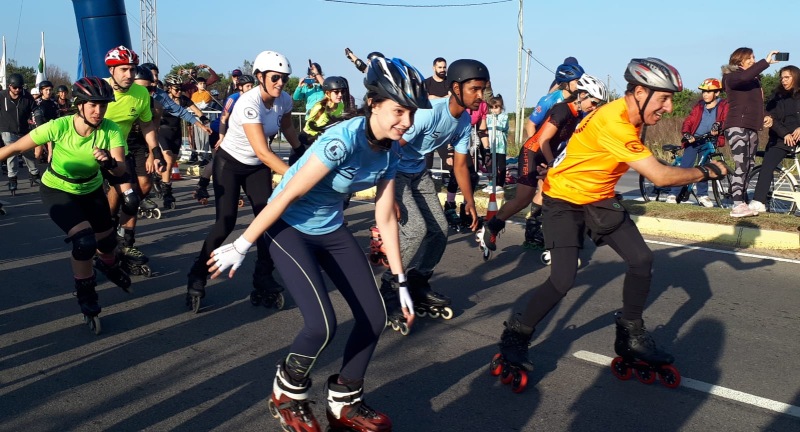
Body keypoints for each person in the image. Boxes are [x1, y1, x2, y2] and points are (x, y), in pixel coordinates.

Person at [208, 55, 426, 432]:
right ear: (373, 103)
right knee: (321, 324)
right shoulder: (341, 141)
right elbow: (286, 194)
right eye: (398, 111)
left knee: (374, 316)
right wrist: (242, 244)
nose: (406, 122)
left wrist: (401, 280)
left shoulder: (392, 149)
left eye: (411, 113)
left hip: (330, 228)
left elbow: (386, 215)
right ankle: (287, 392)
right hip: (289, 227)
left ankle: (345, 400)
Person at [489, 58, 728, 392]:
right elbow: (660, 176)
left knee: (642, 260)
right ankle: (515, 336)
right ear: (640, 92)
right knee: (562, 280)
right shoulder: (614, 122)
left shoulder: (630, 116)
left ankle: (631, 336)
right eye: (663, 98)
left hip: (598, 198)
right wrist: (708, 171)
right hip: (564, 199)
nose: (669, 106)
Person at [0, 77, 131, 331]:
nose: (98, 111)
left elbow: (121, 169)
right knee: (84, 242)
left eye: (103, 106)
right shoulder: (58, 126)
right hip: (58, 189)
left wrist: (109, 164)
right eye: (93, 105)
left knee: (106, 243)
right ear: (79, 105)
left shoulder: (110, 129)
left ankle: (109, 264)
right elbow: (15, 147)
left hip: (91, 189)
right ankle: (86, 295)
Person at [185, 50, 303, 311]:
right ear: (260, 76)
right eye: (275, 78)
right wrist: (297, 176)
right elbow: (263, 150)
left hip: (256, 167)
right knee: (225, 223)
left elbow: (287, 128)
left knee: (268, 220)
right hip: (230, 164)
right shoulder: (249, 103)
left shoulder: (283, 99)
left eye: (284, 78)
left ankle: (263, 277)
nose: (280, 83)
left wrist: (301, 152)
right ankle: (197, 274)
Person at [379, 59, 489, 330]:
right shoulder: (429, 113)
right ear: (455, 87)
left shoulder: (463, 121)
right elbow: (390, 146)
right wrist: (388, 193)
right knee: (415, 229)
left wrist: (470, 202)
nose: (480, 96)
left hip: (419, 173)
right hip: (395, 173)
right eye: (474, 89)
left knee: (440, 230)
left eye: (483, 89)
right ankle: (389, 287)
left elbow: (461, 165)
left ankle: (418, 283)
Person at [481, 74, 607, 251]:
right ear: (582, 95)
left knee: (553, 193)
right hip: (532, 153)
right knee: (522, 199)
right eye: (593, 103)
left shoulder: (577, 114)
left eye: (598, 105)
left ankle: (542, 232)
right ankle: (492, 226)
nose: (594, 108)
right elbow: (544, 140)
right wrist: (551, 164)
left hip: (547, 156)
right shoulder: (563, 110)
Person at [102, 45, 165, 277]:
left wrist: (156, 152)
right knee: (108, 200)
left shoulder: (139, 94)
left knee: (131, 198)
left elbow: (147, 124)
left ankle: (127, 243)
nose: (129, 75)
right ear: (111, 71)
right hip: (94, 152)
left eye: (132, 69)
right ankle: (106, 232)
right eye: (124, 70)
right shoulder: (100, 89)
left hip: (122, 150)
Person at [721, 47, 780, 217]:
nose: (753, 60)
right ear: (739, 60)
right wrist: (765, 62)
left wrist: (767, 115)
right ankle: (737, 204)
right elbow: (744, 76)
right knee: (741, 165)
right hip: (737, 125)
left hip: (752, 127)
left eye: (754, 58)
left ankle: (742, 202)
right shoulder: (730, 77)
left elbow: (757, 105)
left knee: (749, 165)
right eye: (750, 58)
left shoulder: (754, 81)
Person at [665, 78, 729, 207]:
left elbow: (726, 119)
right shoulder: (699, 106)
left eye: (708, 92)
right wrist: (687, 133)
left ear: (717, 93)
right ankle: (673, 193)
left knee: (704, 168)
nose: (705, 94)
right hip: (695, 140)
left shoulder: (723, 105)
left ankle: (702, 195)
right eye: (703, 92)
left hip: (710, 140)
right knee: (686, 166)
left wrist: (719, 125)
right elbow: (689, 121)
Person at [751, 65, 800, 213]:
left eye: (787, 77)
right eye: (782, 77)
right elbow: (771, 118)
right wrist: (785, 134)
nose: (783, 80)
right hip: (781, 138)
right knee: (768, 165)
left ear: (796, 77)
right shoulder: (776, 96)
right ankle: (759, 201)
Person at [294, 75, 349, 163]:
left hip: (321, 141)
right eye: (336, 92)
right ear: (327, 93)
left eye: (342, 92)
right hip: (307, 140)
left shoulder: (340, 106)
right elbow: (309, 127)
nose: (340, 95)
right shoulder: (319, 106)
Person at [0, 73, 38, 195]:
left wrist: (38, 116)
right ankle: (12, 179)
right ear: (9, 86)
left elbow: (35, 109)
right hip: (7, 129)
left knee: (28, 152)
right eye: (15, 87)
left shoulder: (26, 96)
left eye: (20, 87)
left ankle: (34, 174)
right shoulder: (2, 96)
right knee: (12, 153)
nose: (18, 90)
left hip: (23, 129)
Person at [485, 95, 510, 192]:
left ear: (501, 107)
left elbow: (501, 126)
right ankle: (492, 182)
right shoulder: (488, 117)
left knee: (501, 165)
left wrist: (493, 119)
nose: (494, 110)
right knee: (492, 165)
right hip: (491, 145)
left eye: (496, 107)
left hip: (501, 146)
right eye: (492, 108)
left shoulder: (504, 116)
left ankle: (501, 184)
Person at [32, 80, 60, 165]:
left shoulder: (54, 103)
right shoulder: (37, 103)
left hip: (51, 130)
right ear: (41, 91)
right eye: (46, 90)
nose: (48, 92)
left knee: (51, 150)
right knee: (38, 152)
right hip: (39, 129)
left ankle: (50, 168)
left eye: (50, 90)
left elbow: (58, 117)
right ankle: (33, 170)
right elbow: (34, 118)